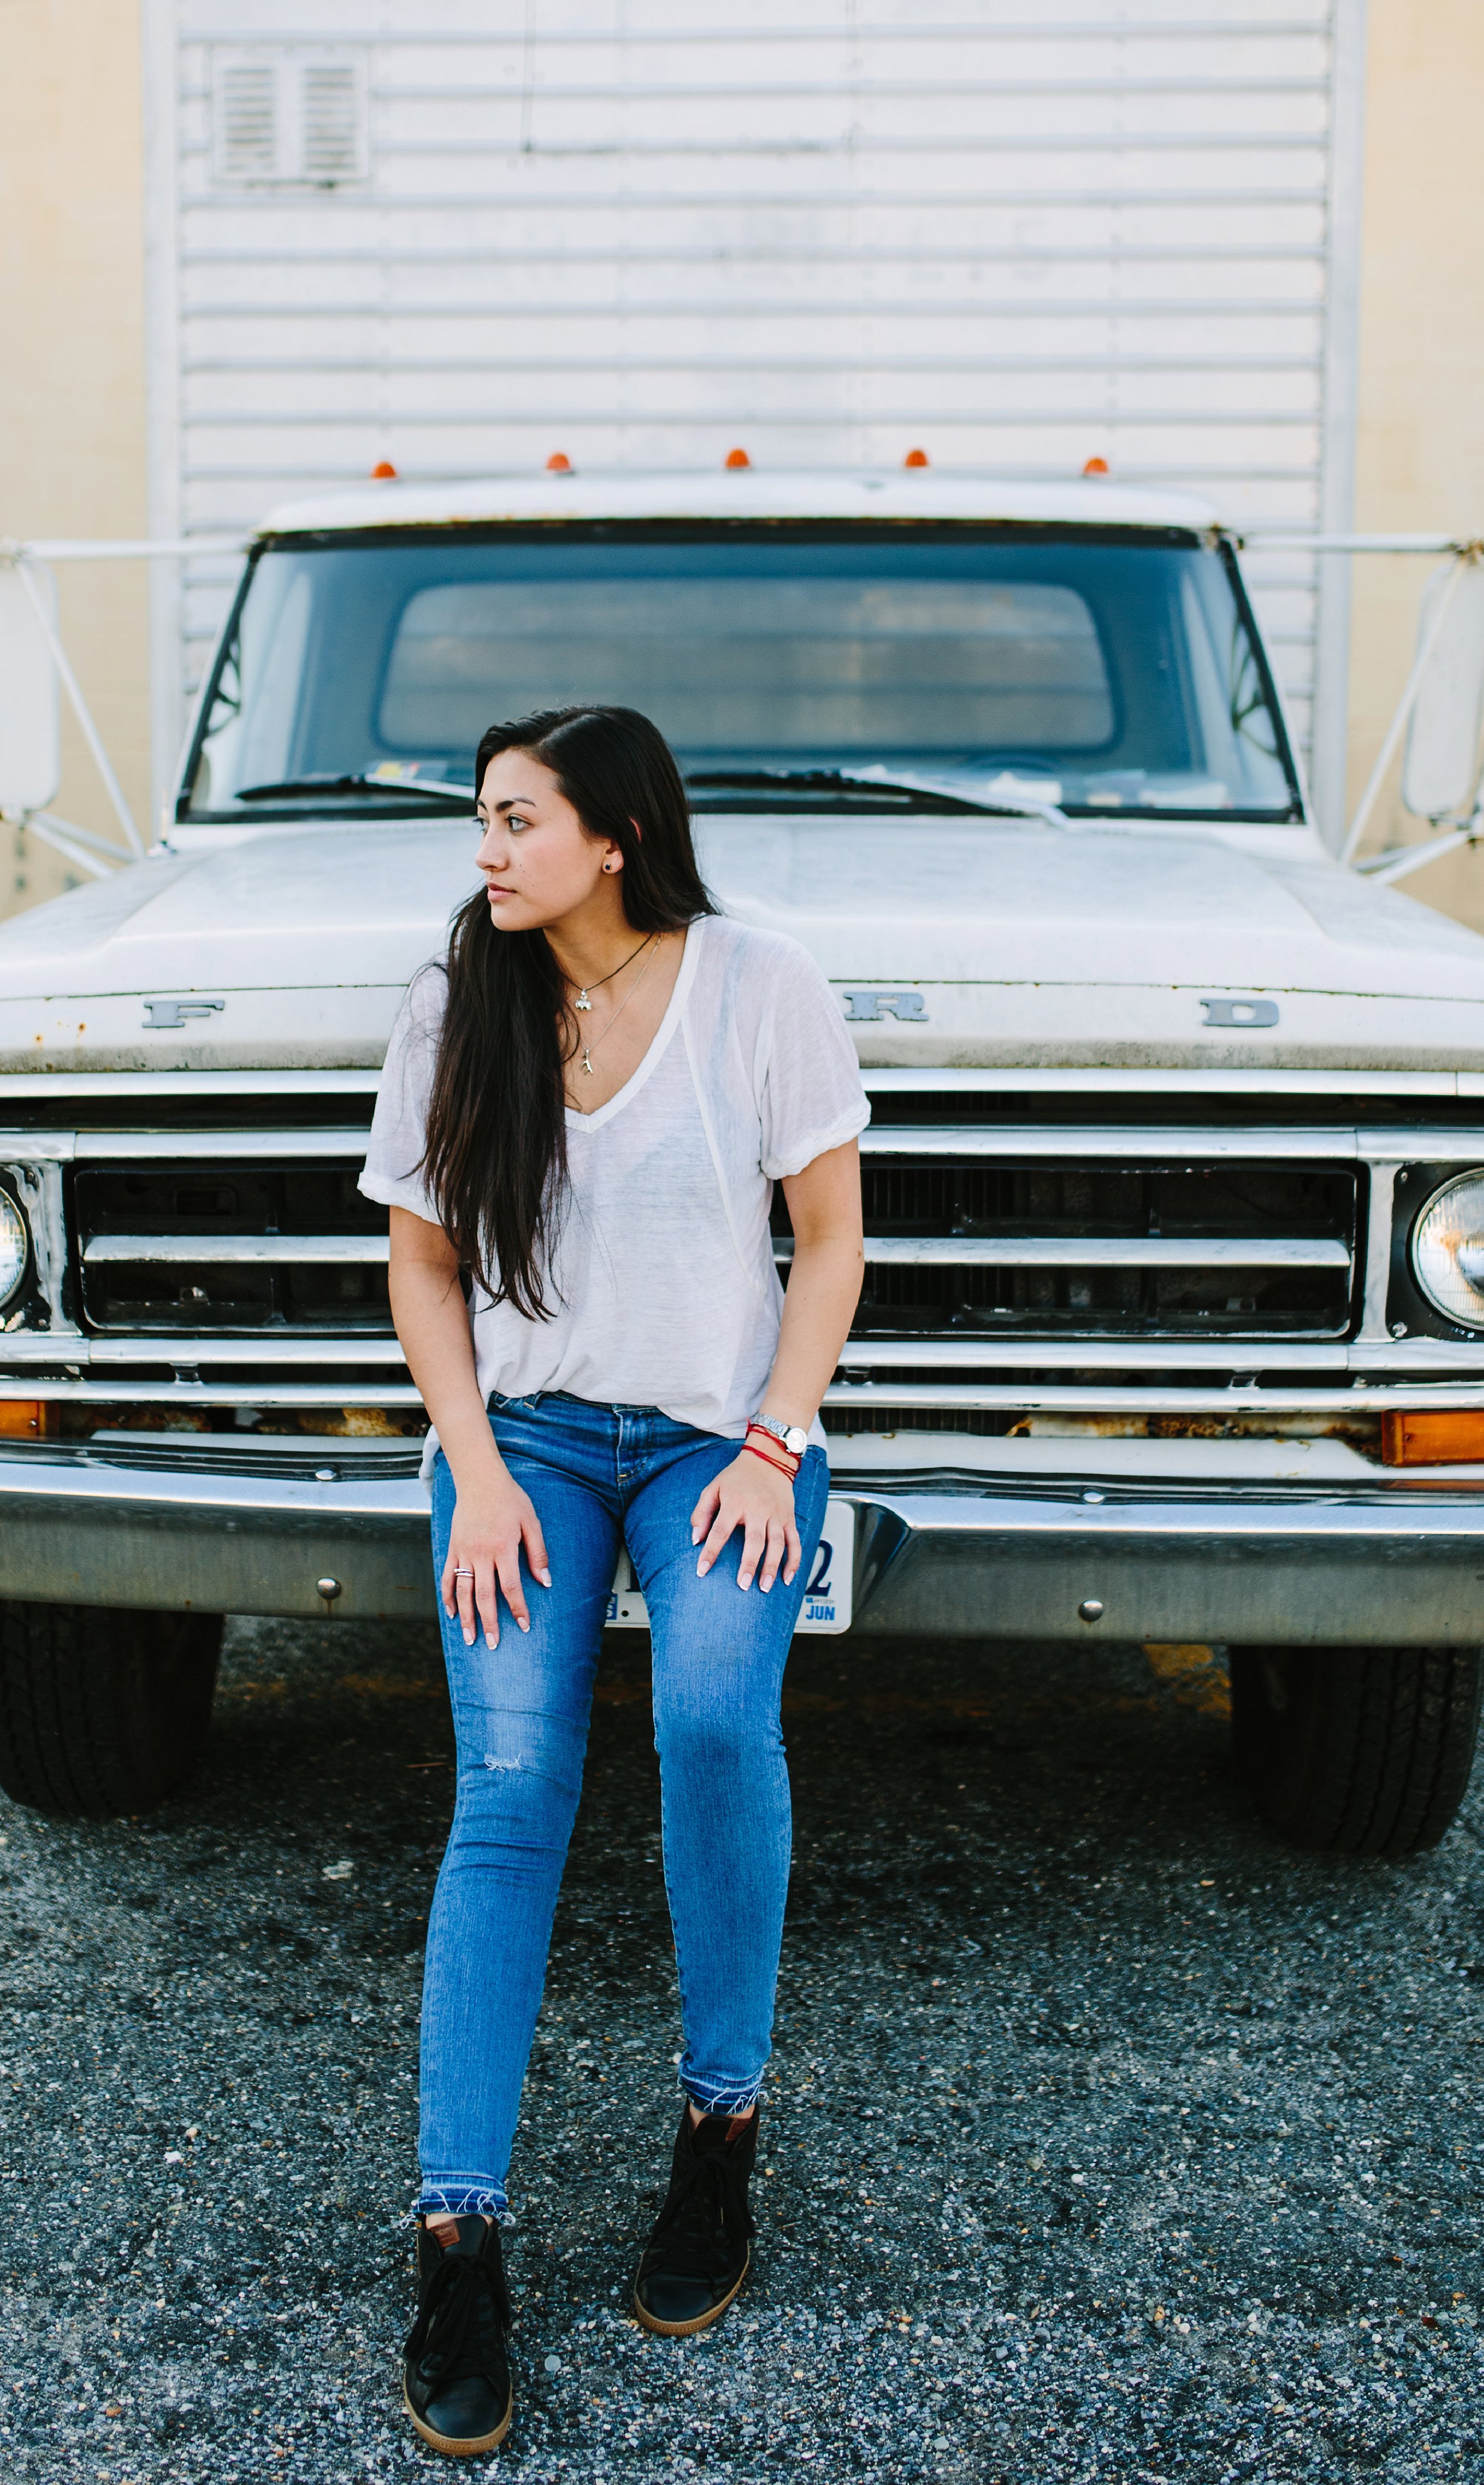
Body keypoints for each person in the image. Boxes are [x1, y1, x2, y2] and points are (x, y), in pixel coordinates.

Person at [359, 704, 869, 2457]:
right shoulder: (458, 1001)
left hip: (719, 1440)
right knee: (509, 1788)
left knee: (717, 1723)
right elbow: (423, 1268)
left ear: (615, 837)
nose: (486, 851)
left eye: (514, 820)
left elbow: (832, 1235)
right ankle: (456, 2235)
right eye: (482, 821)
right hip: (525, 1450)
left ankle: (719, 2133)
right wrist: (477, 1472)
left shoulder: (756, 985)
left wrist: (776, 1440)